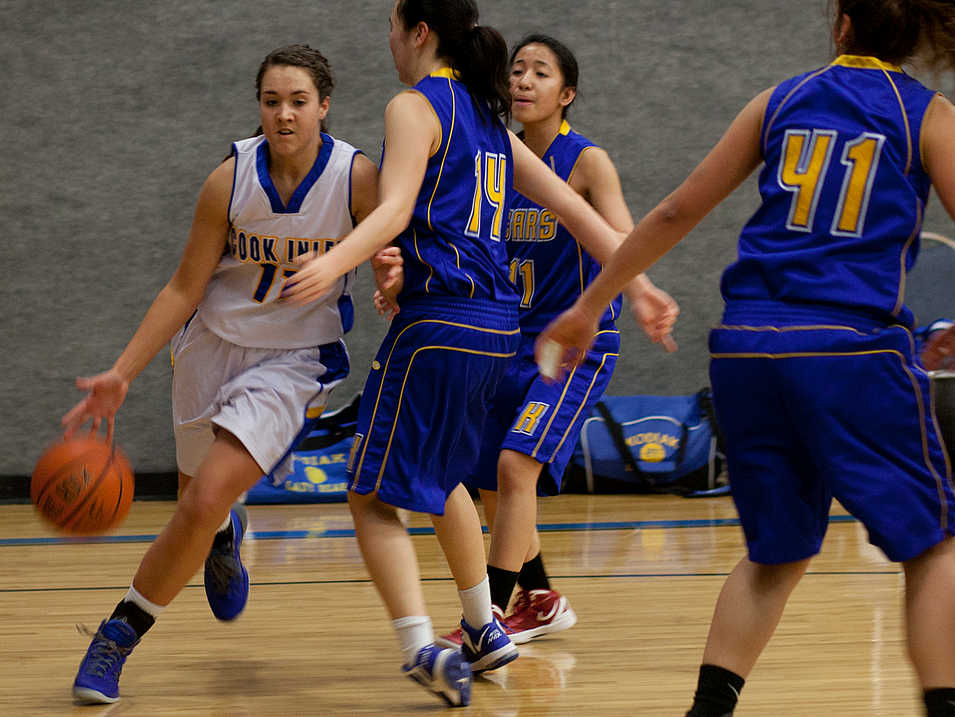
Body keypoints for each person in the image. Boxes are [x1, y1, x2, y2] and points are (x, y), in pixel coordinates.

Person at [537, 2, 955, 715]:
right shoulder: (928, 116)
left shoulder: (780, 99)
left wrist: (591, 303)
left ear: (842, 24)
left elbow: (673, 213)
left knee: (776, 551)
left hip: (749, 351)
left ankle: (709, 709)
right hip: (850, 349)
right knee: (929, 546)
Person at [282, 0, 675, 707]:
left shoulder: (417, 105)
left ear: (420, 33)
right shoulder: (488, 117)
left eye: (394, 32)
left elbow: (396, 208)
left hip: (443, 321)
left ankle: (424, 649)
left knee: (368, 493)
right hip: (500, 328)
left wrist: (332, 260)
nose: (392, 46)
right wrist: (642, 286)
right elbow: (578, 214)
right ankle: (486, 625)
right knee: (455, 476)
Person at [65, 44, 378, 704]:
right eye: (271, 101)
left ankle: (117, 634)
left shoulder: (356, 177)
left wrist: (396, 274)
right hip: (210, 345)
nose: (284, 114)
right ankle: (225, 533)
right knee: (197, 507)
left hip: (295, 361)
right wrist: (123, 371)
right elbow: (184, 287)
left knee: (204, 498)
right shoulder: (230, 179)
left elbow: (393, 242)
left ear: (324, 105)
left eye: (298, 101)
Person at [428, 33, 678, 649]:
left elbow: (621, 239)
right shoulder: (495, 155)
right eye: (516, 70)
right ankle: (539, 597)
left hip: (574, 345)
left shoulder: (586, 162)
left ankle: (480, 620)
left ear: (566, 94)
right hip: (508, 340)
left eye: (540, 73)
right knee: (491, 479)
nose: (522, 81)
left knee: (516, 469)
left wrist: (642, 292)